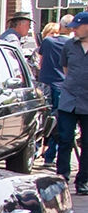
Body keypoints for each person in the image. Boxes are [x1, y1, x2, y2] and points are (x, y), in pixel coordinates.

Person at [54, 11, 88, 193]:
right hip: (69, 101)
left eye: (77, 27)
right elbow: (66, 69)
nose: (73, 30)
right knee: (65, 139)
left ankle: (83, 181)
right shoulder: (69, 46)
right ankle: (62, 178)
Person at [39, 20, 70, 164]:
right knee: (58, 121)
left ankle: (36, 150)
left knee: (41, 117)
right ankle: (50, 154)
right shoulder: (71, 44)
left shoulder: (47, 42)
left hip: (45, 84)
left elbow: (41, 60)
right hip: (62, 85)